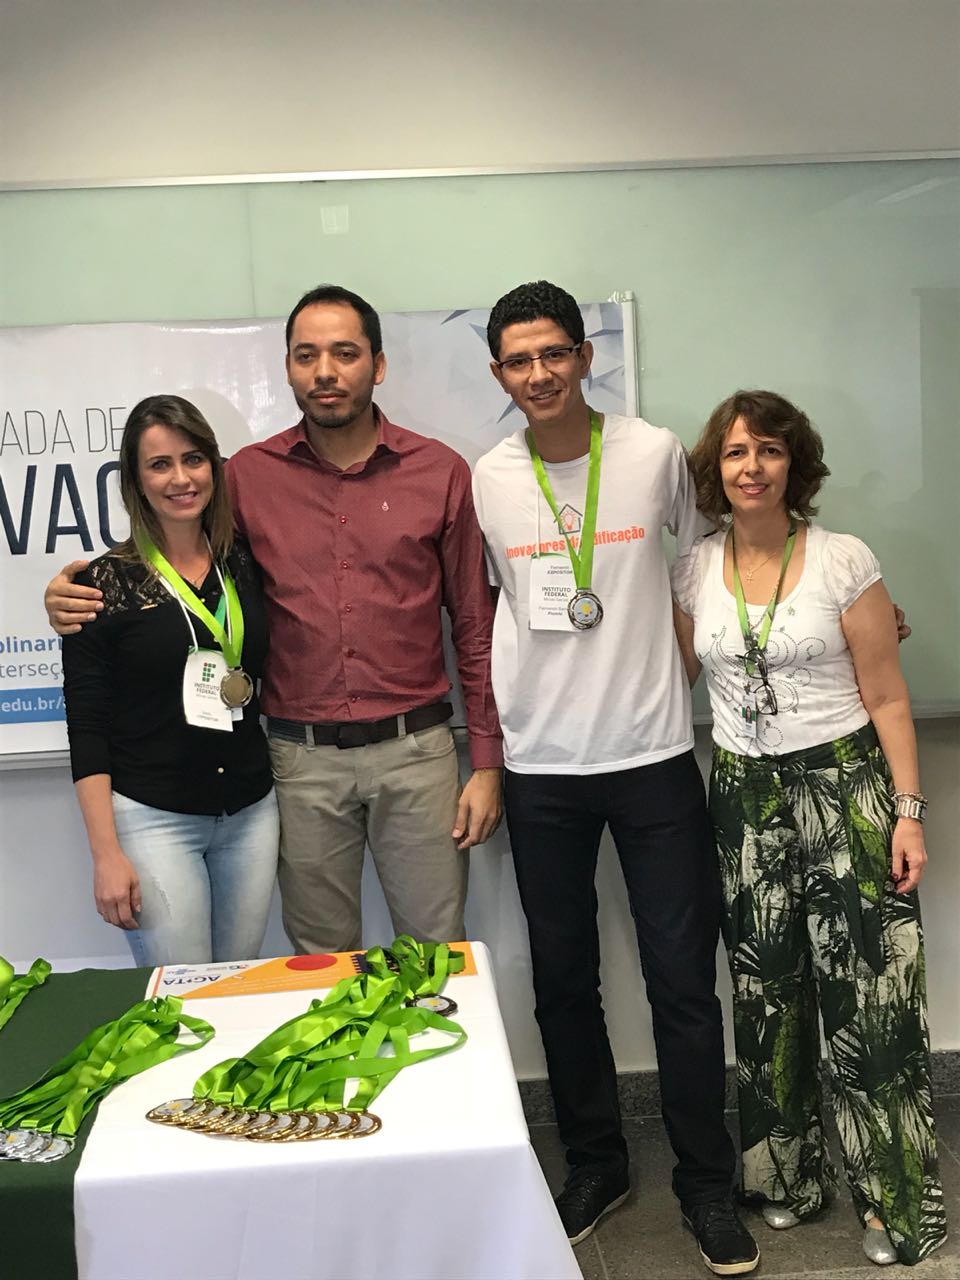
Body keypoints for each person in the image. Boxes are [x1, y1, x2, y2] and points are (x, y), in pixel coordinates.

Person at [48, 286, 503, 954]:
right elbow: (171, 552)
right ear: (287, 368)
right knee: (320, 961)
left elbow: (474, 625)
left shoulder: (440, 472)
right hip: (298, 762)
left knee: (438, 954)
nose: (326, 372)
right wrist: (69, 591)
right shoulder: (247, 479)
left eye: (345, 353)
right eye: (307, 355)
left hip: (417, 753)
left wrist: (487, 763)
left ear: (377, 365)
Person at [471, 281, 759, 1277]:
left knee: (683, 984)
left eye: (554, 352)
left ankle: (707, 1184)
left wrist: (796, 611)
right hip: (541, 765)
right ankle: (596, 1164)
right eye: (519, 360)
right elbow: (483, 608)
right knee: (563, 984)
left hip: (653, 757)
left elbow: (714, 556)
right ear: (500, 373)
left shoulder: (652, 452)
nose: (539, 373)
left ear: (586, 356)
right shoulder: (487, 476)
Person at [670, 390, 946, 1268]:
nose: (751, 467)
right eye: (735, 453)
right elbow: (665, 673)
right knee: (768, 991)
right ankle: (786, 1180)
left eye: (770, 450)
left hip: (845, 786)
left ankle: (895, 1203)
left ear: (796, 463)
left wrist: (908, 814)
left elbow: (889, 696)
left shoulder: (842, 559)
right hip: (743, 796)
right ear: (714, 471)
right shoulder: (692, 569)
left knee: (872, 997)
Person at [62, 395, 279, 965]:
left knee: (237, 983)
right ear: (136, 481)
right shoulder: (101, 586)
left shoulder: (245, 564)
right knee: (180, 998)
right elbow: (87, 728)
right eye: (160, 465)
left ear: (214, 467)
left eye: (193, 459)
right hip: (154, 820)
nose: (181, 479)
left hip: (251, 813)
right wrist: (105, 854)